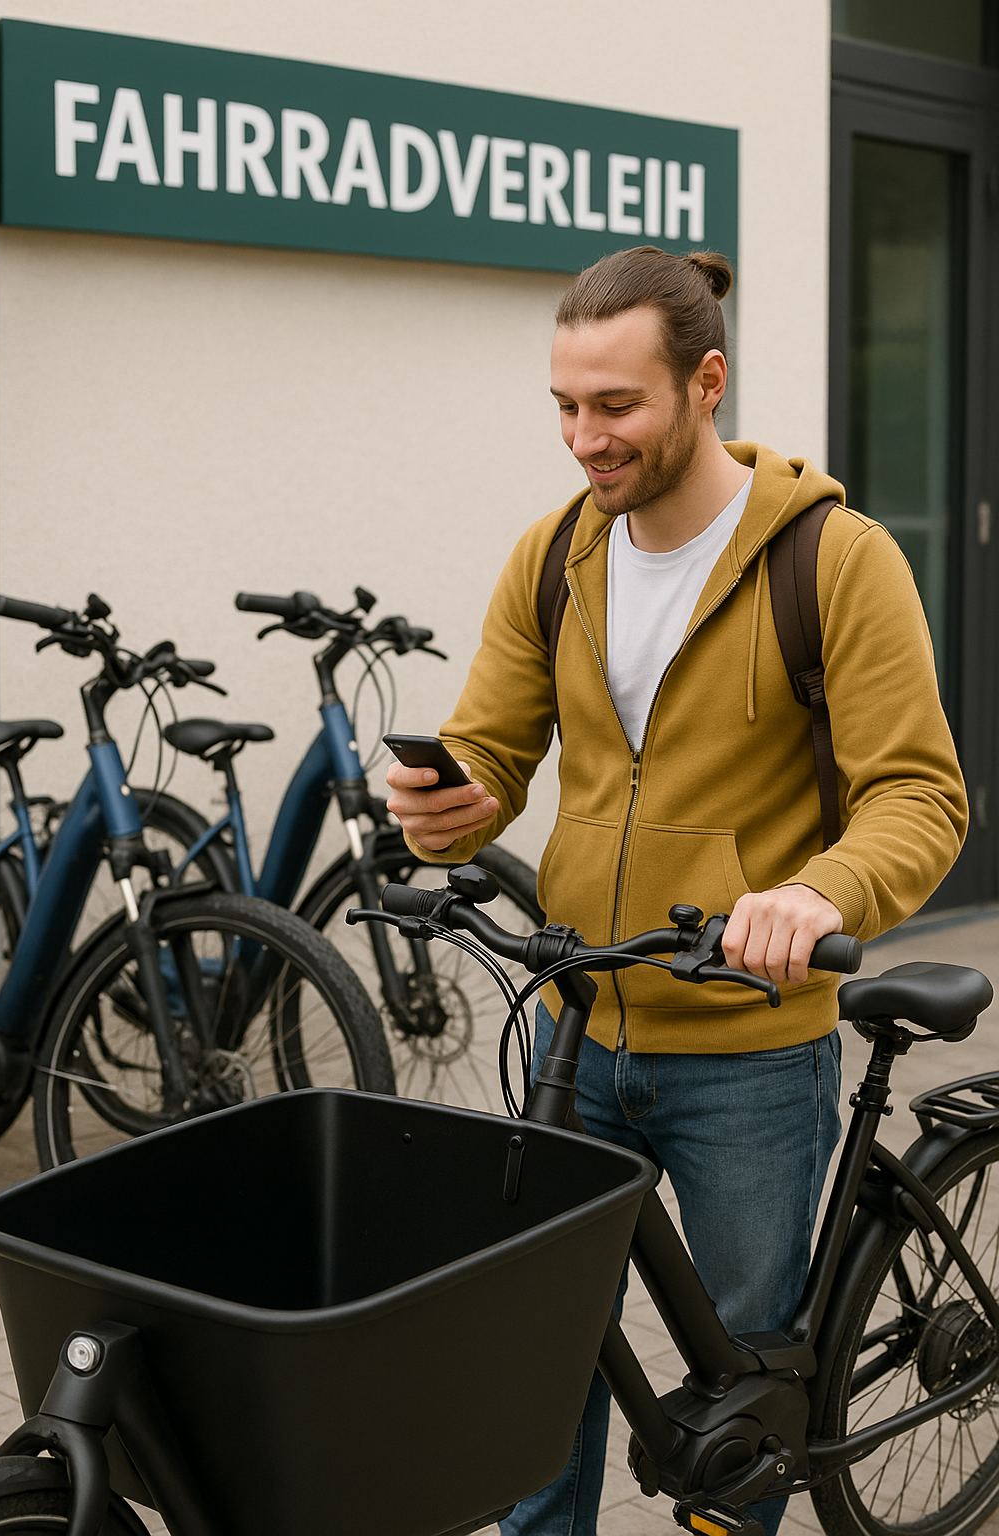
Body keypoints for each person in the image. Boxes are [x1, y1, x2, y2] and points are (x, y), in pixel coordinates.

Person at [386, 244, 967, 1536]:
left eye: (617, 405)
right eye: (565, 405)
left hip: (747, 1049)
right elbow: (493, 750)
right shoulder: (555, 555)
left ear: (708, 384)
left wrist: (820, 895)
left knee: (742, 1389)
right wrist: (449, 803)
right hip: (576, 1026)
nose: (583, 438)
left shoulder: (837, 559)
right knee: (541, 1356)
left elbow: (920, 795)